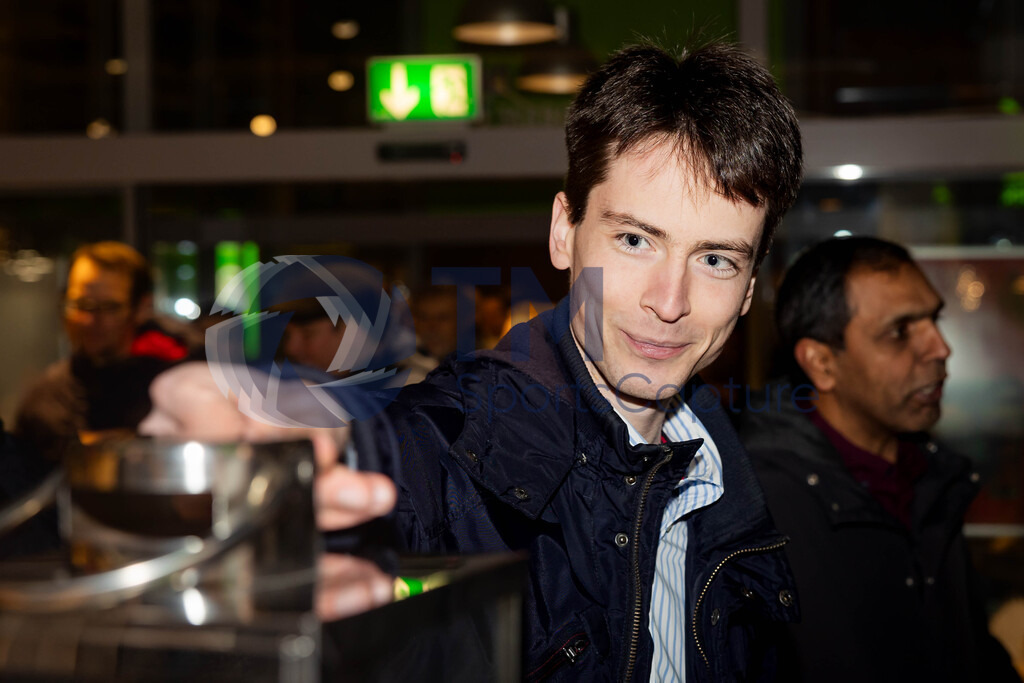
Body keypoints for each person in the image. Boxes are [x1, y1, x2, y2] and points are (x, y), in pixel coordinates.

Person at [143, 41, 804, 681]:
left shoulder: (735, 471)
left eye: (715, 258)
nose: (670, 300)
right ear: (563, 230)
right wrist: (261, 480)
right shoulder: (449, 447)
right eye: (635, 239)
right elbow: (384, 467)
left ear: (749, 288)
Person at [740, 236, 1021, 683]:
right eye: (900, 331)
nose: (940, 348)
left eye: (934, 319)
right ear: (822, 363)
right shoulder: (754, 504)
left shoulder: (932, 478)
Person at [14, 241, 190, 460]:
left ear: (142, 308)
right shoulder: (44, 398)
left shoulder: (174, 391)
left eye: (109, 307)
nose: (89, 320)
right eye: (81, 304)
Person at [400, 284, 459, 384]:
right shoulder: (409, 381)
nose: (432, 327)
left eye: (442, 318)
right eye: (424, 318)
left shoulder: (478, 370)